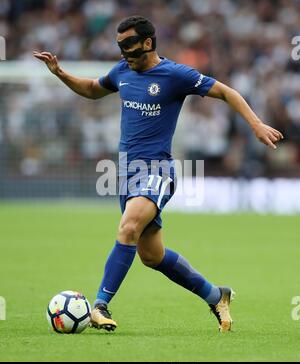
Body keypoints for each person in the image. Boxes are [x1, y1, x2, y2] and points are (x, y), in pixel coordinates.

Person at [34, 15, 283, 333]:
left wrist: (256, 124)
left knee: (128, 228)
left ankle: (99, 306)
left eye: (129, 45)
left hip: (157, 170)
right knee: (151, 256)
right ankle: (215, 295)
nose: (124, 53)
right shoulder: (123, 71)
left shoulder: (175, 74)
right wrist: (61, 74)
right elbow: (93, 89)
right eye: (119, 46)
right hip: (126, 174)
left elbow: (226, 92)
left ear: (148, 43)